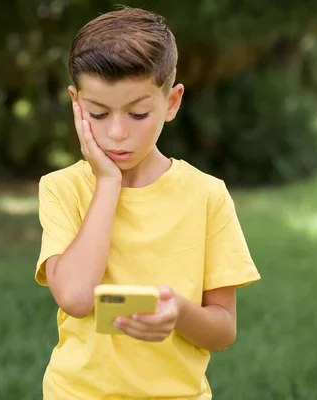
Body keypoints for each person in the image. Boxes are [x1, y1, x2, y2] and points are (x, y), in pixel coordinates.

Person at [34, 6, 261, 399]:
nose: (117, 133)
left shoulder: (207, 195)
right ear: (76, 102)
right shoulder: (62, 188)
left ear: (171, 103)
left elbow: (223, 331)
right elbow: (74, 297)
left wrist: (179, 314)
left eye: (138, 113)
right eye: (98, 114)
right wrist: (108, 182)